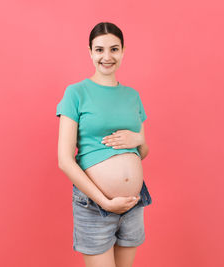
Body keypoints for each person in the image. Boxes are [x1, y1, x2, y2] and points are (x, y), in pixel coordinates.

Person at [56, 22, 152, 267]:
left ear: (123, 51)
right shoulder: (76, 93)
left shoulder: (132, 95)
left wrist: (138, 140)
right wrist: (105, 202)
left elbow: (143, 151)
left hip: (133, 204)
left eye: (114, 49)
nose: (107, 57)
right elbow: (64, 161)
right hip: (94, 204)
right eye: (99, 50)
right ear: (90, 52)